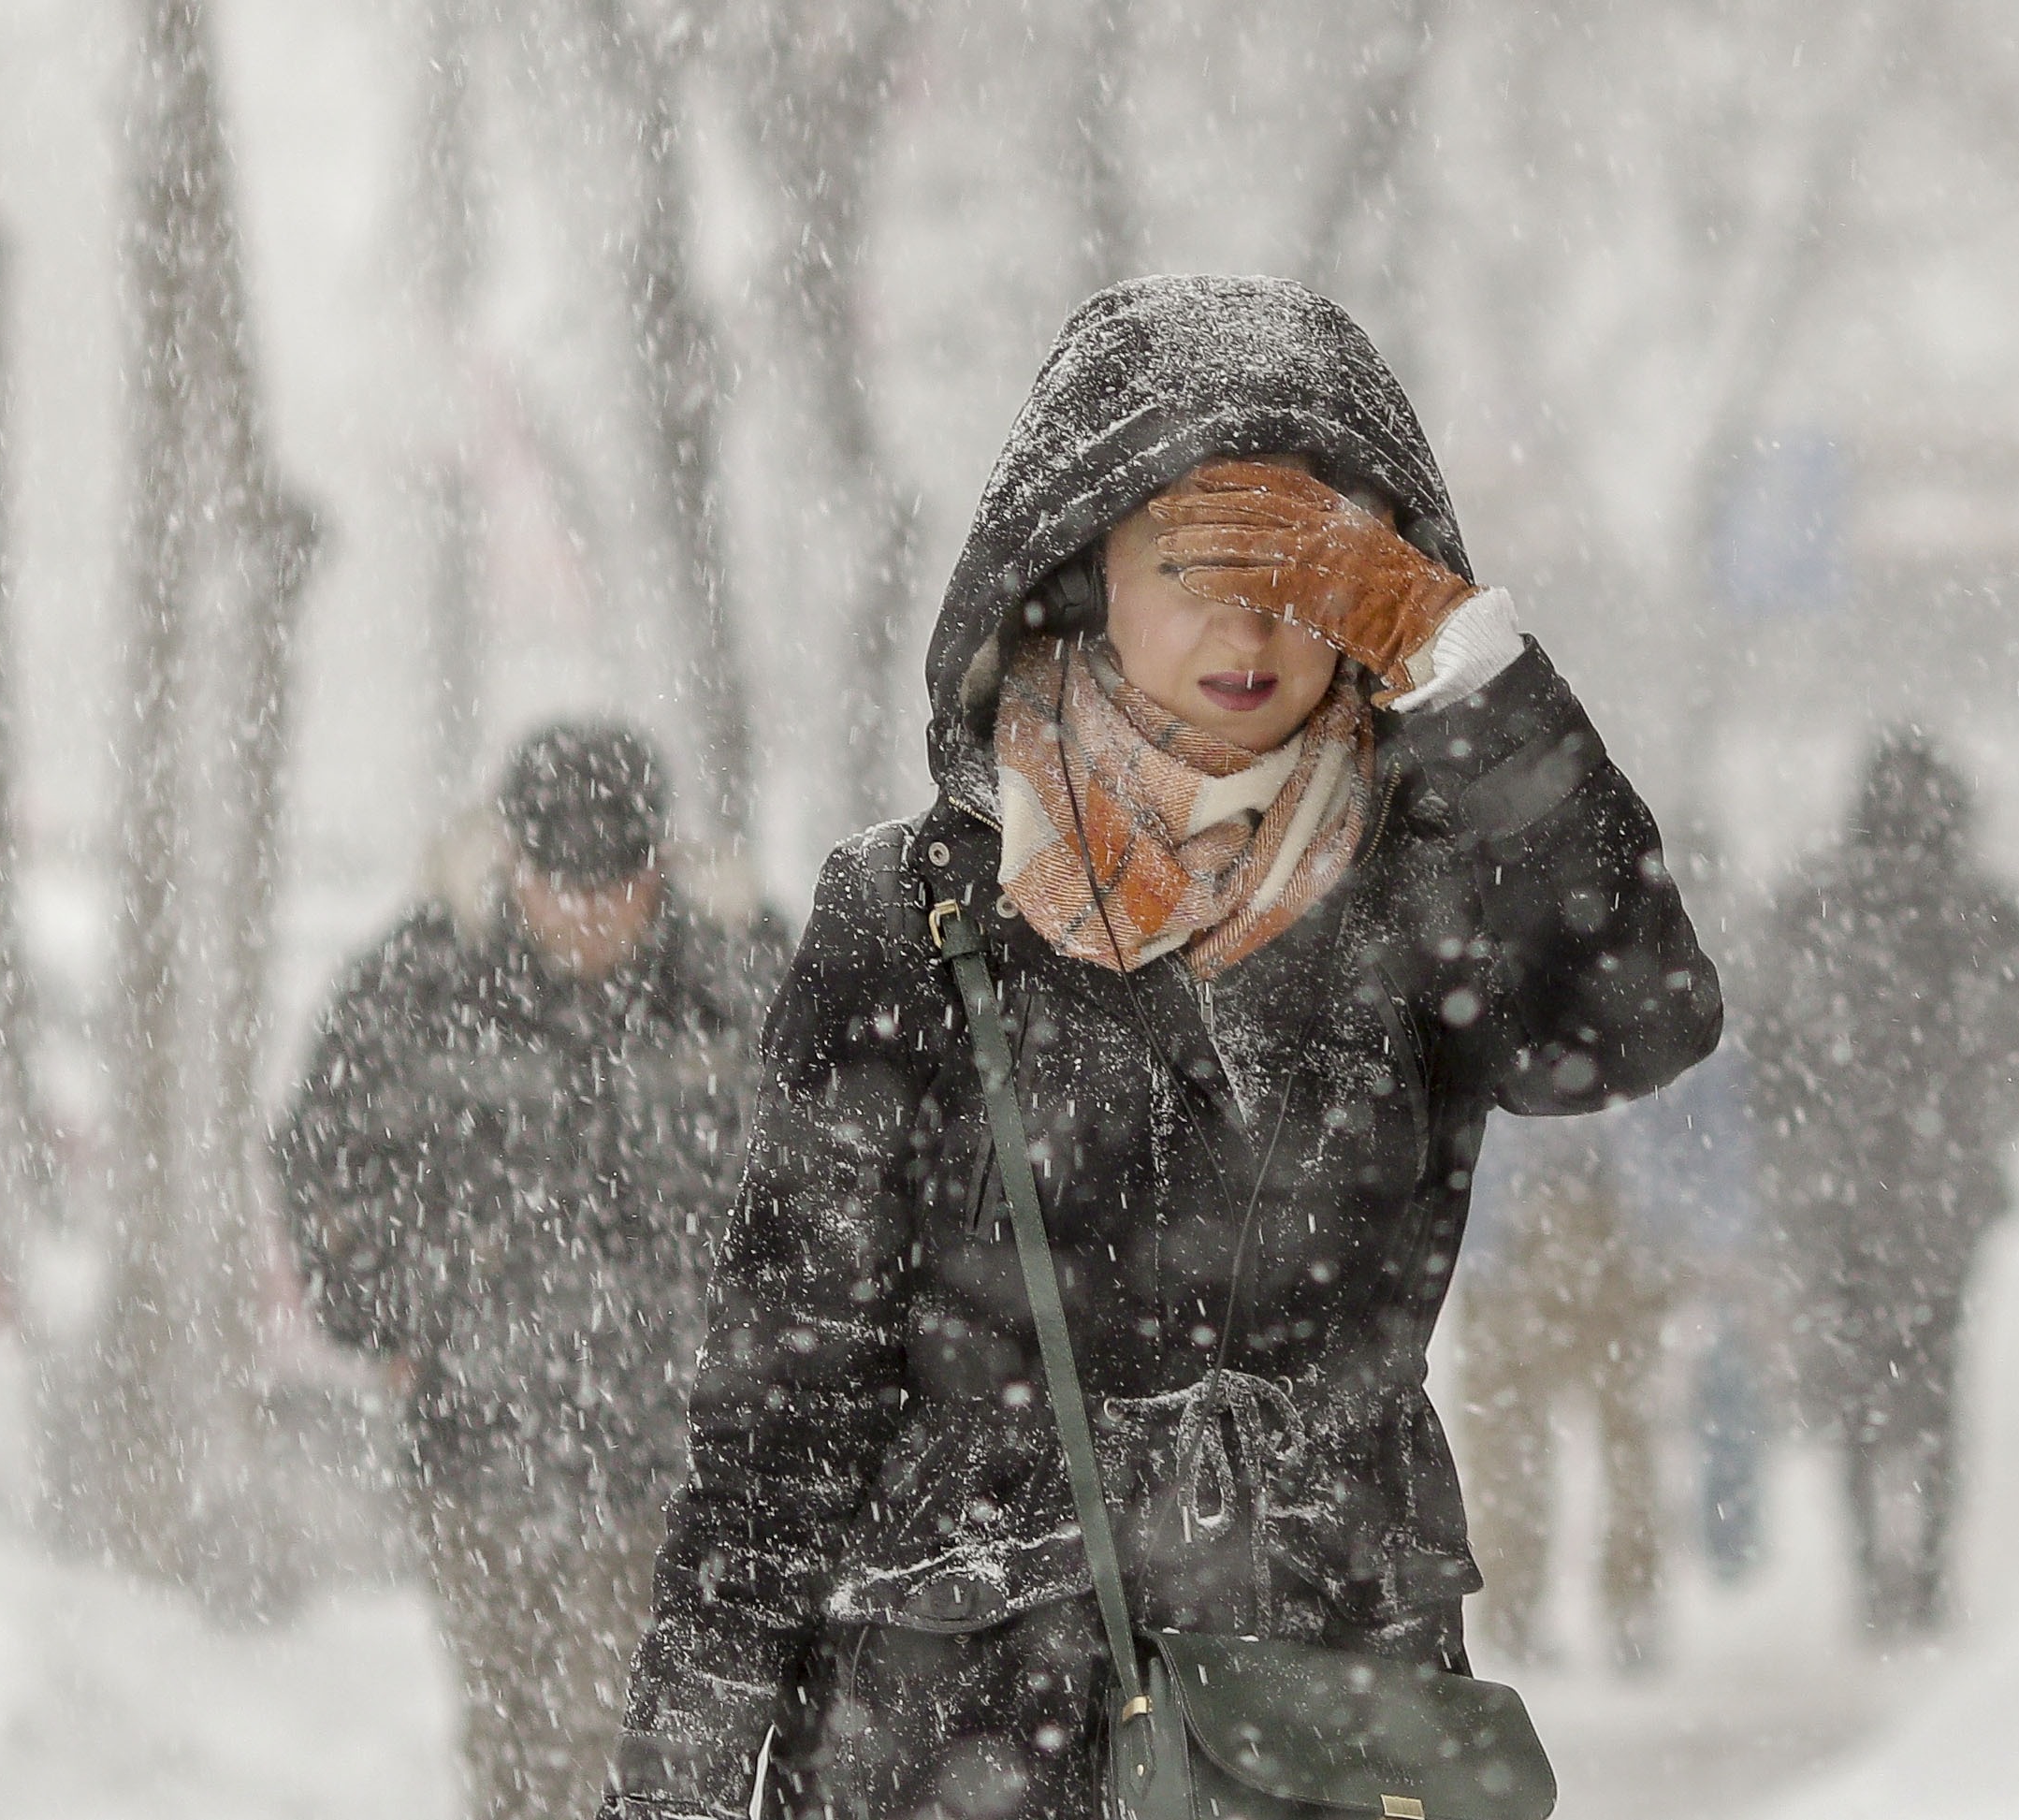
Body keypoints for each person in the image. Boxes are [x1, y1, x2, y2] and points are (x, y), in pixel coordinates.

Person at [597, 274, 1721, 1820]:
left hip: (1325, 1719)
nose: (1249, 625)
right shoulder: (917, 907)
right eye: (1193, 564)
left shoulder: (1422, 888)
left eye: (1309, 572)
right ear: (1078, 575)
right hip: (960, 1727)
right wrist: (690, 1746)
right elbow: (793, 1371)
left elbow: (1642, 1013)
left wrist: (1455, 654)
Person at [273, 721, 790, 1820]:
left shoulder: (743, 981)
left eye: (612, 883)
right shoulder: (422, 978)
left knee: (634, 1748)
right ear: (516, 862)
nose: (587, 912)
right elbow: (326, 1151)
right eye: (561, 881)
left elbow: (838, 1163)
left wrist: (773, 1349)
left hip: (676, 1451)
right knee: (512, 1743)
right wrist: (388, 1320)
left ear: (656, 866)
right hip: (479, 1439)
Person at [1745, 730, 2019, 1638]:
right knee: (1936, 1372)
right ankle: (1924, 1566)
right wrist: (1980, 1122)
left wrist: (1794, 1136)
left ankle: (1865, 1571)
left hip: (1834, 1182)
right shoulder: (1982, 909)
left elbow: (1759, 1038)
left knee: (1853, 1376)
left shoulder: (1812, 901)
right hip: (1938, 1186)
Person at [1456, 1036, 1761, 1671]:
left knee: (1621, 1442)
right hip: (1517, 1240)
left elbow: (1712, 1112)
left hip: (1613, 1237)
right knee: (1515, 1447)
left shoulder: (1634, 979)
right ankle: (1522, 1612)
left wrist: (1711, 1232)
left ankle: (1622, 1609)